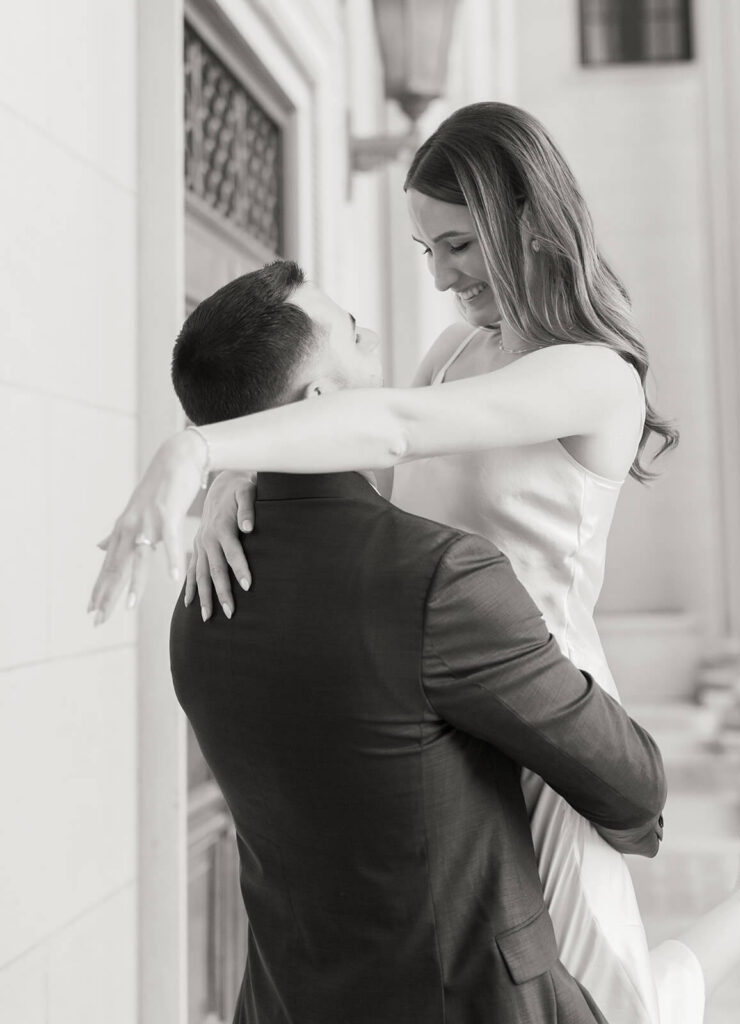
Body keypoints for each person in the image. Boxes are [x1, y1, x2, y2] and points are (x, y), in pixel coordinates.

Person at [89, 104, 740, 1022]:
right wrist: (233, 481)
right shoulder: (455, 351)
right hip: (439, 711)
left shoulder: (593, 374)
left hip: (544, 714)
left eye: (457, 245)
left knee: (619, 1006)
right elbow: (350, 439)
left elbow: (394, 426)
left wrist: (197, 452)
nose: (444, 278)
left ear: (526, 223)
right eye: (426, 252)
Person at [168, 258, 667, 1023]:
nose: (377, 333)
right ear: (321, 401)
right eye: (354, 332)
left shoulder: (200, 601)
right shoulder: (442, 580)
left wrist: (233, 470)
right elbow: (633, 784)